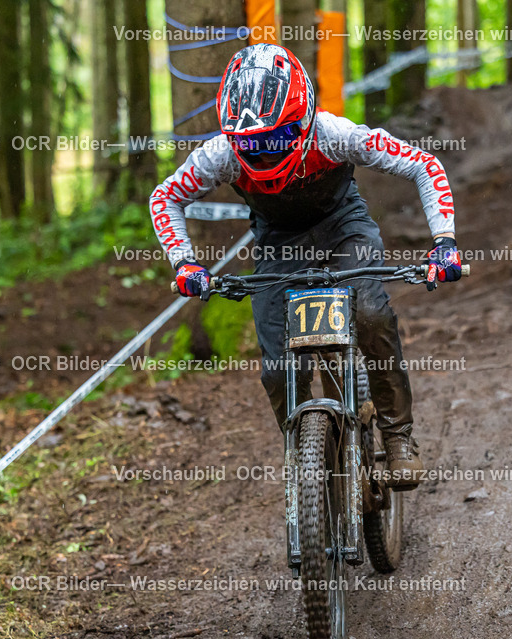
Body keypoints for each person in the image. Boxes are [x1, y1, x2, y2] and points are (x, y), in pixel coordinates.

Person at [149, 43, 461, 490]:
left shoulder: (334, 134)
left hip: (343, 229)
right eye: (250, 144)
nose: (262, 152)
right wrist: (185, 263)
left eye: (274, 139)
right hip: (278, 244)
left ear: (302, 120)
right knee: (278, 370)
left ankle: (397, 437)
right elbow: (165, 197)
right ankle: (304, 458)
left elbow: (424, 165)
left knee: (371, 315)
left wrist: (444, 244)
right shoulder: (222, 154)